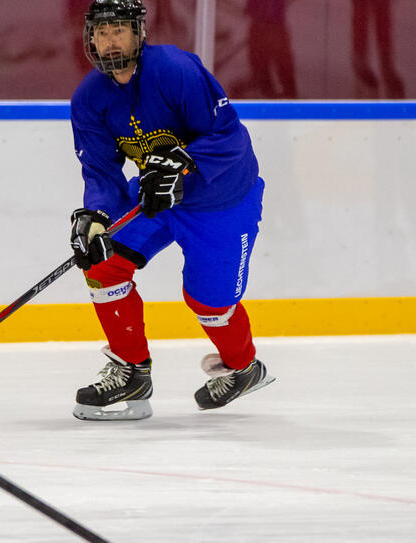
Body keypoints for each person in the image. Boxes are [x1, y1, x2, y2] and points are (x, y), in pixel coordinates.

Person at [67, 0, 275, 421]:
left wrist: (183, 159)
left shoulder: (175, 70)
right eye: (102, 33)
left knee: (208, 304)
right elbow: (101, 173)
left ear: (139, 33)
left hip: (220, 198)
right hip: (155, 194)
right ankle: (131, 371)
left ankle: (243, 367)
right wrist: (97, 216)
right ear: (90, 38)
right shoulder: (89, 98)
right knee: (103, 264)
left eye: (119, 31)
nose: (110, 41)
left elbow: (229, 137)